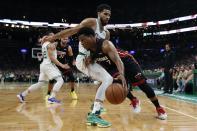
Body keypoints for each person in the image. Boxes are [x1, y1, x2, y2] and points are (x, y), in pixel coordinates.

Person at [78, 27, 167, 120]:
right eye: (80, 41)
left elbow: (118, 60)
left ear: (92, 37)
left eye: (83, 40)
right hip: (112, 67)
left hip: (126, 61)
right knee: (118, 85)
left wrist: (121, 74)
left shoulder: (105, 45)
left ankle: (159, 108)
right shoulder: (89, 51)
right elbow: (94, 58)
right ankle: (133, 99)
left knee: (142, 85)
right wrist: (89, 60)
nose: (81, 43)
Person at [17, 32, 69, 104]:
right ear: (48, 37)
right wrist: (62, 65)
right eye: (52, 36)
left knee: (40, 84)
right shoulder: (51, 45)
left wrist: (60, 52)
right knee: (60, 80)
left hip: (43, 65)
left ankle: (22, 95)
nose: (54, 36)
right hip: (49, 65)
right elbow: (52, 58)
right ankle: (51, 98)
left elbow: (52, 51)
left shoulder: (44, 44)